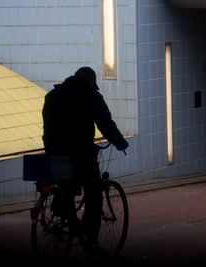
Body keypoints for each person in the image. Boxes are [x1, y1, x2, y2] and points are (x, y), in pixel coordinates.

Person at [42, 66, 129, 250]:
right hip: (81, 154)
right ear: (91, 82)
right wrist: (120, 142)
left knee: (64, 184)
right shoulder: (91, 96)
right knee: (94, 192)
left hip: (54, 153)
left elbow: (47, 129)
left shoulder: (53, 96)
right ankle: (90, 239)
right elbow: (105, 124)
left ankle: (64, 211)